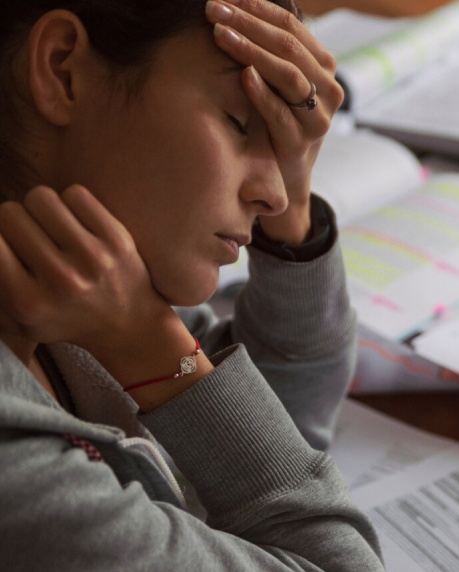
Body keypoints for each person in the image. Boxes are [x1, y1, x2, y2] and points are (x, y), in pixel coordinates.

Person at [0, 0, 385, 570]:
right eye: (238, 122)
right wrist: (152, 347)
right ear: (62, 70)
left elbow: (279, 428)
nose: (275, 194)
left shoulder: (74, 275)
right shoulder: (21, 473)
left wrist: (294, 211)